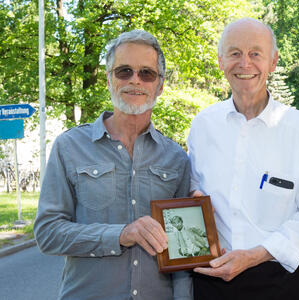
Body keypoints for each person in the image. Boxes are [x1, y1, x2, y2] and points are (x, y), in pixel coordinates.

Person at [34, 30, 192, 300]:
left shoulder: (177, 158)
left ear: (160, 85)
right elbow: (48, 233)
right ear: (109, 79)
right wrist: (120, 234)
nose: (135, 80)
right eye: (124, 71)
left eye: (147, 73)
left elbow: (183, 257)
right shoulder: (69, 146)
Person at [187, 18, 299, 300]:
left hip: (283, 282)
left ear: (273, 61)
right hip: (212, 283)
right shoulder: (203, 125)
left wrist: (254, 256)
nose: (245, 63)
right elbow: (192, 188)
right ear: (220, 61)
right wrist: (193, 197)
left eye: (255, 53)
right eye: (235, 53)